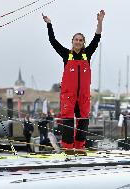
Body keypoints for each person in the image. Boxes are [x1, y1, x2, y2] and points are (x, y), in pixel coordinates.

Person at [42, 10, 105, 150]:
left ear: (83, 43)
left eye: (80, 40)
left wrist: (100, 21)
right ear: (72, 42)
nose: (78, 42)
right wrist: (49, 24)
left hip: (83, 95)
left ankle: (80, 147)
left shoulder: (87, 54)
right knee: (68, 121)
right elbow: (53, 41)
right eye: (76, 39)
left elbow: (97, 37)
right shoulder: (66, 54)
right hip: (68, 95)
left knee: (83, 121)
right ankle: (68, 148)